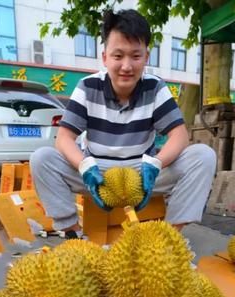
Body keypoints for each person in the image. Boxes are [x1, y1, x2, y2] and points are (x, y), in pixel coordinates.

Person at [30, 9, 216, 238]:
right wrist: (85, 166)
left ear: (146, 57)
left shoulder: (155, 87)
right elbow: (64, 138)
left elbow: (180, 135)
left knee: (203, 156)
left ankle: (170, 239)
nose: (127, 66)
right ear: (105, 57)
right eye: (118, 56)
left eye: (135, 56)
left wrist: (156, 164)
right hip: (97, 173)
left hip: (143, 173)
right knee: (42, 159)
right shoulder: (87, 87)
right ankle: (72, 233)